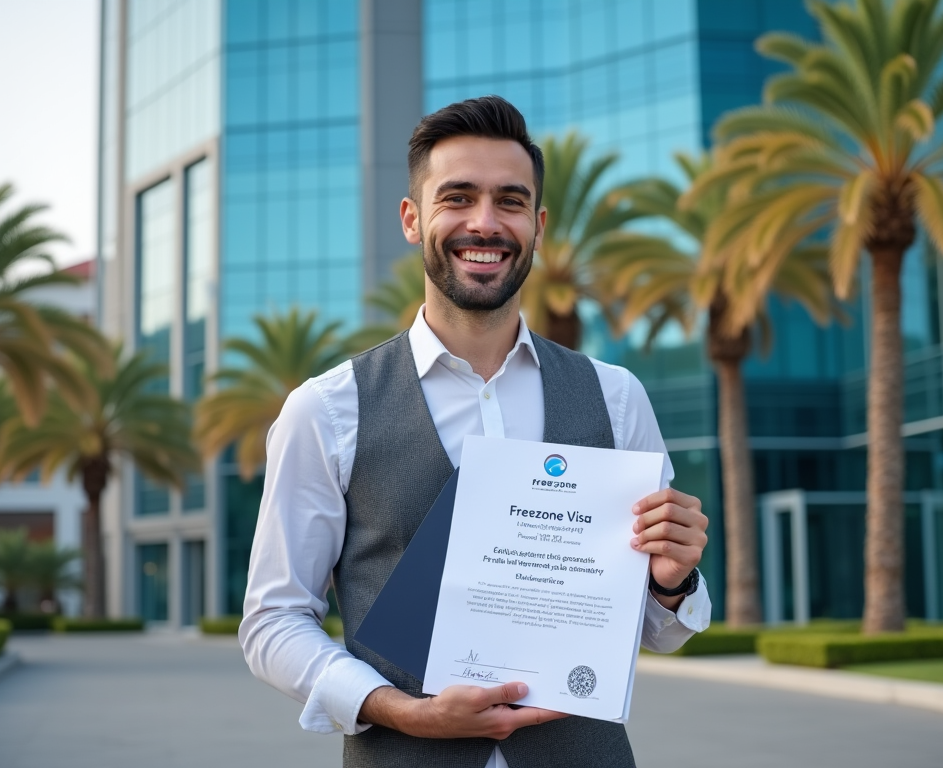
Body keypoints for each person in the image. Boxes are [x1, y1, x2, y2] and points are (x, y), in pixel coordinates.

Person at [240, 95, 711, 768]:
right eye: (457, 198)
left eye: (510, 201)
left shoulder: (616, 397)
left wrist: (672, 581)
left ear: (538, 224)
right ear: (413, 218)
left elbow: (661, 634)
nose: (484, 223)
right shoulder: (328, 409)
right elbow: (273, 621)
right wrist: (402, 712)